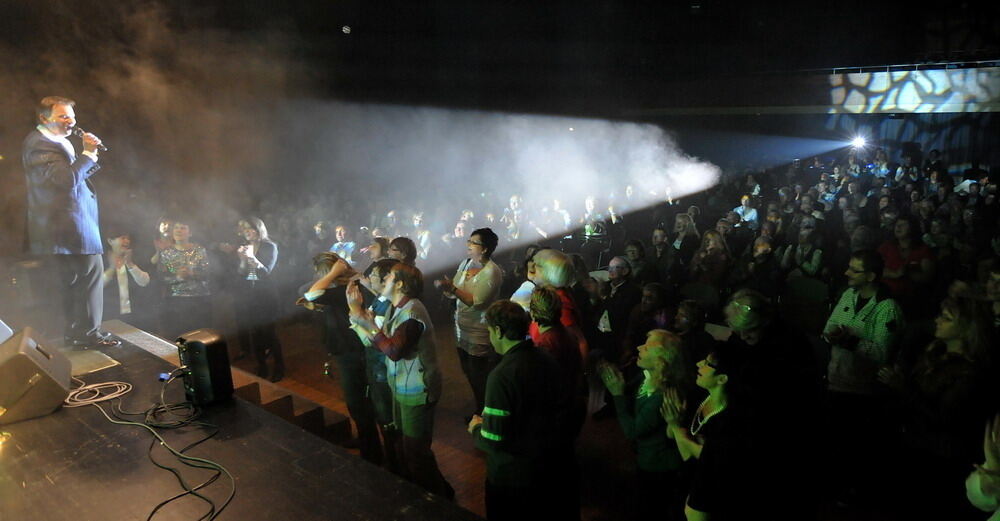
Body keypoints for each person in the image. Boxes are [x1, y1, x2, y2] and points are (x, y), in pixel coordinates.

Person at [349, 263, 453, 498]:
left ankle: (441, 503)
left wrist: (368, 324)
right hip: (403, 386)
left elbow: (394, 350)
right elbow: (376, 342)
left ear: (401, 284)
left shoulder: (413, 313)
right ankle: (440, 493)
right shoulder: (396, 308)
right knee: (411, 450)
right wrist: (358, 317)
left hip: (419, 389)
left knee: (416, 452)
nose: (384, 279)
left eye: (389, 277)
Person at [23, 96, 119, 347]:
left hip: (71, 225)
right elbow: (64, 181)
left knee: (80, 280)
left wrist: (90, 155)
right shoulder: (41, 145)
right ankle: (88, 334)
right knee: (89, 277)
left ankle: (78, 333)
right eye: (63, 116)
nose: (70, 122)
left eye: (72, 117)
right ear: (44, 118)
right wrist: (88, 153)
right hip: (67, 227)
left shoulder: (54, 141)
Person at [468, 300, 570, 520]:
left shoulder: (502, 376)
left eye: (489, 330)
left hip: (511, 476)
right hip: (545, 467)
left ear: (498, 331)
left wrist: (476, 428)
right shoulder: (545, 358)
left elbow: (494, 439)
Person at [600, 329, 688, 521]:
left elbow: (633, 431)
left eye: (647, 347)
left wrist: (617, 393)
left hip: (658, 467)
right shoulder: (646, 377)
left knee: (651, 510)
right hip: (646, 458)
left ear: (661, 360)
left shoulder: (662, 395)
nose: (640, 347)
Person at [436, 228, 504, 421]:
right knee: (468, 370)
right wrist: (447, 289)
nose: (468, 244)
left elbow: (478, 301)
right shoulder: (465, 264)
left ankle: (484, 412)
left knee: (479, 374)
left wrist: (453, 289)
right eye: (469, 240)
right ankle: (480, 406)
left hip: (478, 330)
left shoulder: (492, 271)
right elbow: (455, 290)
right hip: (461, 327)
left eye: (473, 242)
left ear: (484, 249)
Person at [234, 217, 284, 381]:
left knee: (269, 333)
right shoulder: (247, 247)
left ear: (259, 229)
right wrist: (242, 260)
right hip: (251, 296)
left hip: (267, 296)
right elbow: (242, 273)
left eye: (251, 228)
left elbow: (265, 272)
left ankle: (279, 367)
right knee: (255, 333)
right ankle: (262, 366)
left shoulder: (270, 246)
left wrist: (252, 257)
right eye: (246, 229)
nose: (248, 232)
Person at [158, 219, 212, 338]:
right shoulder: (165, 253)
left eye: (183, 228)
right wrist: (177, 277)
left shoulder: (200, 250)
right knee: (179, 336)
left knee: (200, 336)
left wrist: (192, 274)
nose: (179, 230)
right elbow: (161, 279)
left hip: (199, 299)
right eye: (176, 227)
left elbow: (208, 274)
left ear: (190, 233)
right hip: (175, 301)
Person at [101, 231, 151, 327]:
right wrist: (111, 268)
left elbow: (144, 282)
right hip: (108, 314)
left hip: (134, 315)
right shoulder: (101, 259)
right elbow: (97, 286)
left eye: (128, 238)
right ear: (110, 241)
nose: (127, 241)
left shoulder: (134, 257)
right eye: (123, 238)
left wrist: (130, 263)